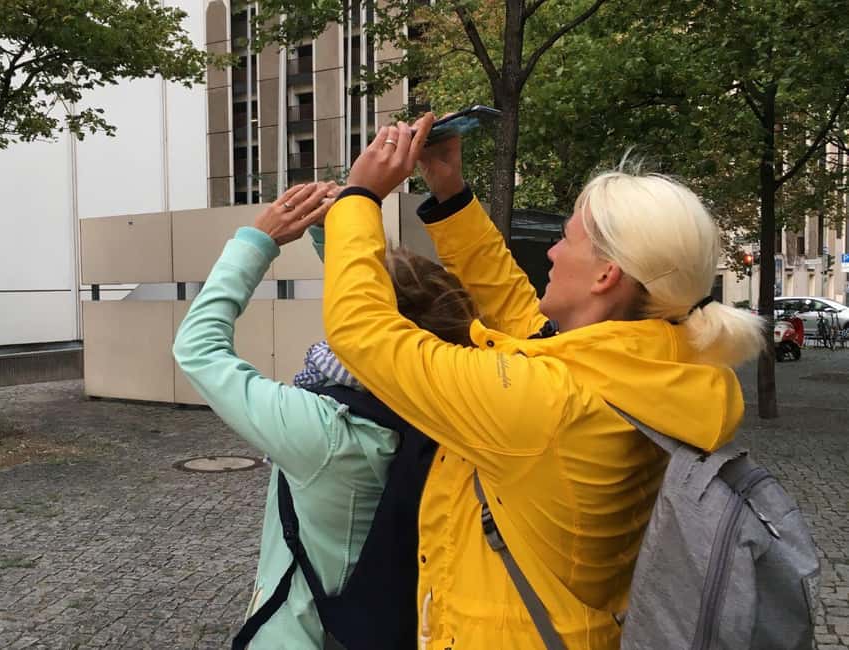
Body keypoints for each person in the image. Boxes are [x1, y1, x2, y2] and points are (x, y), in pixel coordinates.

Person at [320, 116, 766, 649]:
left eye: (565, 239)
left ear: (606, 276)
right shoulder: (654, 367)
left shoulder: (550, 402)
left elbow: (364, 333)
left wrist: (359, 196)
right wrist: (450, 195)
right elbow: (520, 316)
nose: (551, 252)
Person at [172, 181, 478, 649]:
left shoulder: (326, 431)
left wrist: (257, 242)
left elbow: (198, 349)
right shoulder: (454, 404)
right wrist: (332, 234)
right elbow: (369, 319)